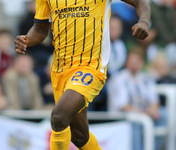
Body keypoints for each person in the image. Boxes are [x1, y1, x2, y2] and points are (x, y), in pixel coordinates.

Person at [14, 0, 151, 149]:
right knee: (79, 135)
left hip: (90, 67)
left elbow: (140, 3)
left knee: (59, 117)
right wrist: (27, 39)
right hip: (60, 70)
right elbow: (40, 30)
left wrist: (144, 21)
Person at [108, 50, 166, 150]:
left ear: (142, 63)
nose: (135, 64)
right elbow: (123, 106)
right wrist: (145, 112)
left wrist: (153, 109)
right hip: (123, 115)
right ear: (126, 62)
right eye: (132, 61)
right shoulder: (118, 79)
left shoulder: (146, 78)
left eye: (138, 61)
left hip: (144, 112)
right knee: (138, 120)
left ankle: (156, 147)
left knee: (165, 114)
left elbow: (154, 100)